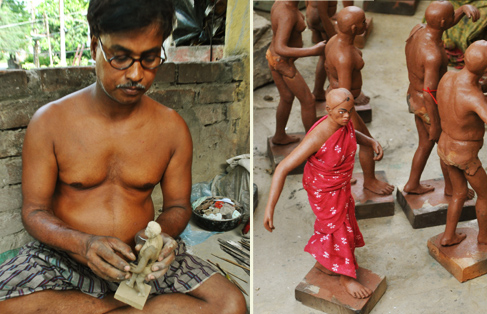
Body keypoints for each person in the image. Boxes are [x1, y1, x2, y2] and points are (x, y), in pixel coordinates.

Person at [0, 1, 246, 313]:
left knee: (231, 304)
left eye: (150, 58)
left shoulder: (172, 129)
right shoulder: (50, 122)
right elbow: (34, 211)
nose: (136, 74)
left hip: (144, 262)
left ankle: (96, 307)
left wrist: (161, 236)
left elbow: (178, 206)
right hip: (65, 257)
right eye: (120, 57)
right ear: (94, 46)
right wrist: (84, 244)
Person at [263, 88, 383, 299]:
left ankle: (325, 260)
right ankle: (346, 276)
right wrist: (270, 208)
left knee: (340, 223)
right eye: (342, 112)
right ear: (328, 110)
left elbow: (353, 133)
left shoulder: (344, 122)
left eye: (350, 111)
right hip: (324, 189)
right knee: (340, 227)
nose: (347, 116)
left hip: (340, 185)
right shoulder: (318, 135)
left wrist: (370, 141)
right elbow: (282, 167)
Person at [404, 0, 479, 195]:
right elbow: (430, 93)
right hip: (426, 103)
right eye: (452, 14)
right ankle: (452, 188)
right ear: (445, 21)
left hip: (413, 95)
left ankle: (413, 183)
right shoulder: (433, 54)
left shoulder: (418, 28)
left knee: (425, 144)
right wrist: (436, 124)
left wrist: (462, 10)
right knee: (445, 148)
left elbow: (442, 22)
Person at [325, 6, 394, 195]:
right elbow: (345, 96)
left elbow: (327, 68)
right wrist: (350, 107)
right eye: (363, 21)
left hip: (334, 95)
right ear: (355, 29)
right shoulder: (345, 56)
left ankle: (338, 174)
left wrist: (335, 87)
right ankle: (370, 181)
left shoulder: (333, 41)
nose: (366, 23)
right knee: (366, 142)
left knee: (337, 141)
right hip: (343, 106)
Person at [436, 40, 487, 247]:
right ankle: (484, 237)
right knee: (485, 195)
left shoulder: (448, 77)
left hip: (445, 147)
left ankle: (448, 236)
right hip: (466, 157)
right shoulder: (474, 98)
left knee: (459, 193)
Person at [267, 0, 326, 145]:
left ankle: (279, 136)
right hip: (282, 62)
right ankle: (312, 145)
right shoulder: (287, 13)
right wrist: (312, 51)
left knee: (286, 97)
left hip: (273, 56)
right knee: (308, 100)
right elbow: (281, 47)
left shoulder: (282, 3)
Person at [305, 0, 337, 101]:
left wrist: (309, 22)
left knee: (324, 56)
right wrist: (334, 37)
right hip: (321, 21)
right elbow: (323, 15)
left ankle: (318, 90)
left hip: (314, 17)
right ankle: (326, 91)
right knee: (331, 55)